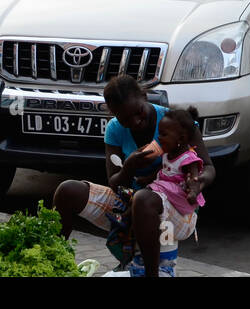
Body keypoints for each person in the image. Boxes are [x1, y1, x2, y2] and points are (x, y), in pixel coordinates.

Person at [52, 75, 215, 277]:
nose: (136, 122)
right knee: (68, 191)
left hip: (178, 211)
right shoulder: (114, 130)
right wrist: (129, 167)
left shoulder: (175, 122)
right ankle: (53, 264)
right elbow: (114, 183)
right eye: (125, 119)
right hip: (132, 204)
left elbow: (208, 166)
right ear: (114, 115)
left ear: (144, 96)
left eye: (138, 112)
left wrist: (198, 182)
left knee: (143, 199)